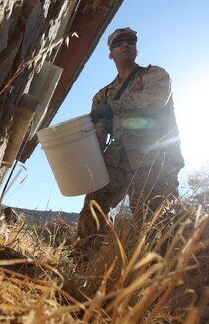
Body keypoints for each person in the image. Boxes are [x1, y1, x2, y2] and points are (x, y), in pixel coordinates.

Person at [76, 27, 185, 248]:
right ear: (111, 54)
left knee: (156, 219)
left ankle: (160, 272)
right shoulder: (103, 94)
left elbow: (154, 101)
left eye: (130, 42)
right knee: (93, 209)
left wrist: (112, 110)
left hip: (154, 157)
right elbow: (96, 134)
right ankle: (85, 263)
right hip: (117, 159)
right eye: (119, 43)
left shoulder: (155, 75)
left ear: (136, 49)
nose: (125, 45)